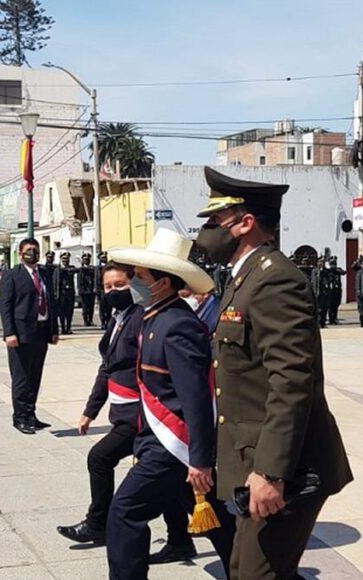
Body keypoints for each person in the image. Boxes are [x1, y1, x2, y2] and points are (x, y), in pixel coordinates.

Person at [195, 167, 352, 578]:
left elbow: (291, 382)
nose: (207, 231)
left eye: (215, 221)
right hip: (255, 461)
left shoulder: (274, 280)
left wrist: (270, 472)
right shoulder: (242, 279)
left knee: (257, 573)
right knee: (243, 568)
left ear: (245, 224)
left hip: (288, 468)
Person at [105, 229, 235, 579]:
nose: (133, 281)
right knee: (221, 524)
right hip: (159, 440)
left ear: (162, 283)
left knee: (124, 511)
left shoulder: (177, 324)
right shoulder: (154, 316)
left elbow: (196, 397)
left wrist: (201, 460)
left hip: (176, 446)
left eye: (139, 277)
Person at [57, 262, 194, 557]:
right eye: (108, 287)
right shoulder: (117, 318)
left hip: (143, 414)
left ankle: (97, 524)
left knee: (100, 458)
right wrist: (90, 410)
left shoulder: (140, 318)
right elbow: (107, 367)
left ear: (133, 284)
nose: (113, 291)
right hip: (123, 411)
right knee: (173, 484)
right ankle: (183, 539)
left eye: (120, 285)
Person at [0, 238, 60, 434]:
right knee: (21, 378)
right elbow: (5, 307)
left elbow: (51, 301)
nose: (32, 253)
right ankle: (20, 417)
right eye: (28, 250)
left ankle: (31, 414)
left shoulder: (44, 273)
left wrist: (54, 329)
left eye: (35, 249)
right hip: (21, 333)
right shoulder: (12, 275)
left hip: (41, 332)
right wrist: (9, 333)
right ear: (20, 253)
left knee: (35, 376)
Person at [56, 252, 77, 334]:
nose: (65, 261)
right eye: (64, 259)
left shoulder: (71, 268)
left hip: (70, 293)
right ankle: (63, 328)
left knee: (69, 312)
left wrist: (69, 269)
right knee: (62, 312)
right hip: (62, 294)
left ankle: (68, 327)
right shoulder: (58, 269)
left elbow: (78, 270)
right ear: (61, 259)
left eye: (67, 259)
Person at [77, 252, 97, 327]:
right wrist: (79, 290)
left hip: (91, 290)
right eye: (85, 260)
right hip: (84, 291)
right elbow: (79, 280)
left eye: (88, 260)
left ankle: (90, 320)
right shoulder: (81, 269)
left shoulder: (92, 268)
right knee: (85, 307)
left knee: (91, 306)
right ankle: (85, 320)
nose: (87, 261)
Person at [326, 255, 346, 325]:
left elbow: (344, 272)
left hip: (337, 290)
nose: (333, 265)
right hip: (330, 291)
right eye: (332, 264)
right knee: (330, 306)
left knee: (336, 305)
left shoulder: (338, 270)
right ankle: (331, 319)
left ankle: (335, 318)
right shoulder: (328, 271)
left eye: (334, 264)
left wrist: (336, 269)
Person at [97, 251, 112, 329]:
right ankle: (103, 322)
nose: (104, 259)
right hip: (101, 290)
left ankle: (109, 321)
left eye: (105, 258)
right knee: (102, 308)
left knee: (109, 307)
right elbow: (97, 280)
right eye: (102, 258)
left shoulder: (109, 267)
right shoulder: (98, 268)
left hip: (108, 290)